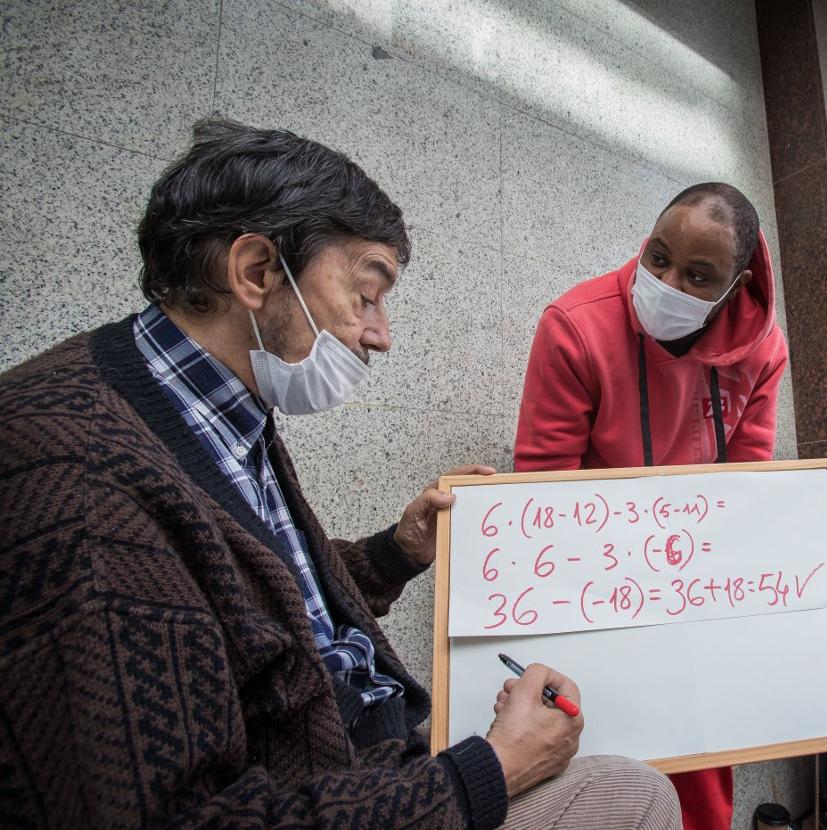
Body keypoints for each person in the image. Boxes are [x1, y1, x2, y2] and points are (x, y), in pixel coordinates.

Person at [0, 119, 679, 830]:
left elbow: (256, 612)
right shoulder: (75, 476)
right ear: (258, 272)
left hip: (376, 760)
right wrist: (487, 769)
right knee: (632, 795)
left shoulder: (215, 403)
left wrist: (395, 553)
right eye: (366, 292)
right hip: (344, 788)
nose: (380, 333)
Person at [514, 183, 790, 829]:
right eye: (659, 256)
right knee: (603, 758)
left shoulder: (765, 351)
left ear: (736, 283)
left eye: (698, 276)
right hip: (591, 579)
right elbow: (543, 480)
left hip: (695, 584)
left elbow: (746, 479)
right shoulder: (576, 326)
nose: (667, 282)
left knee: (699, 761)